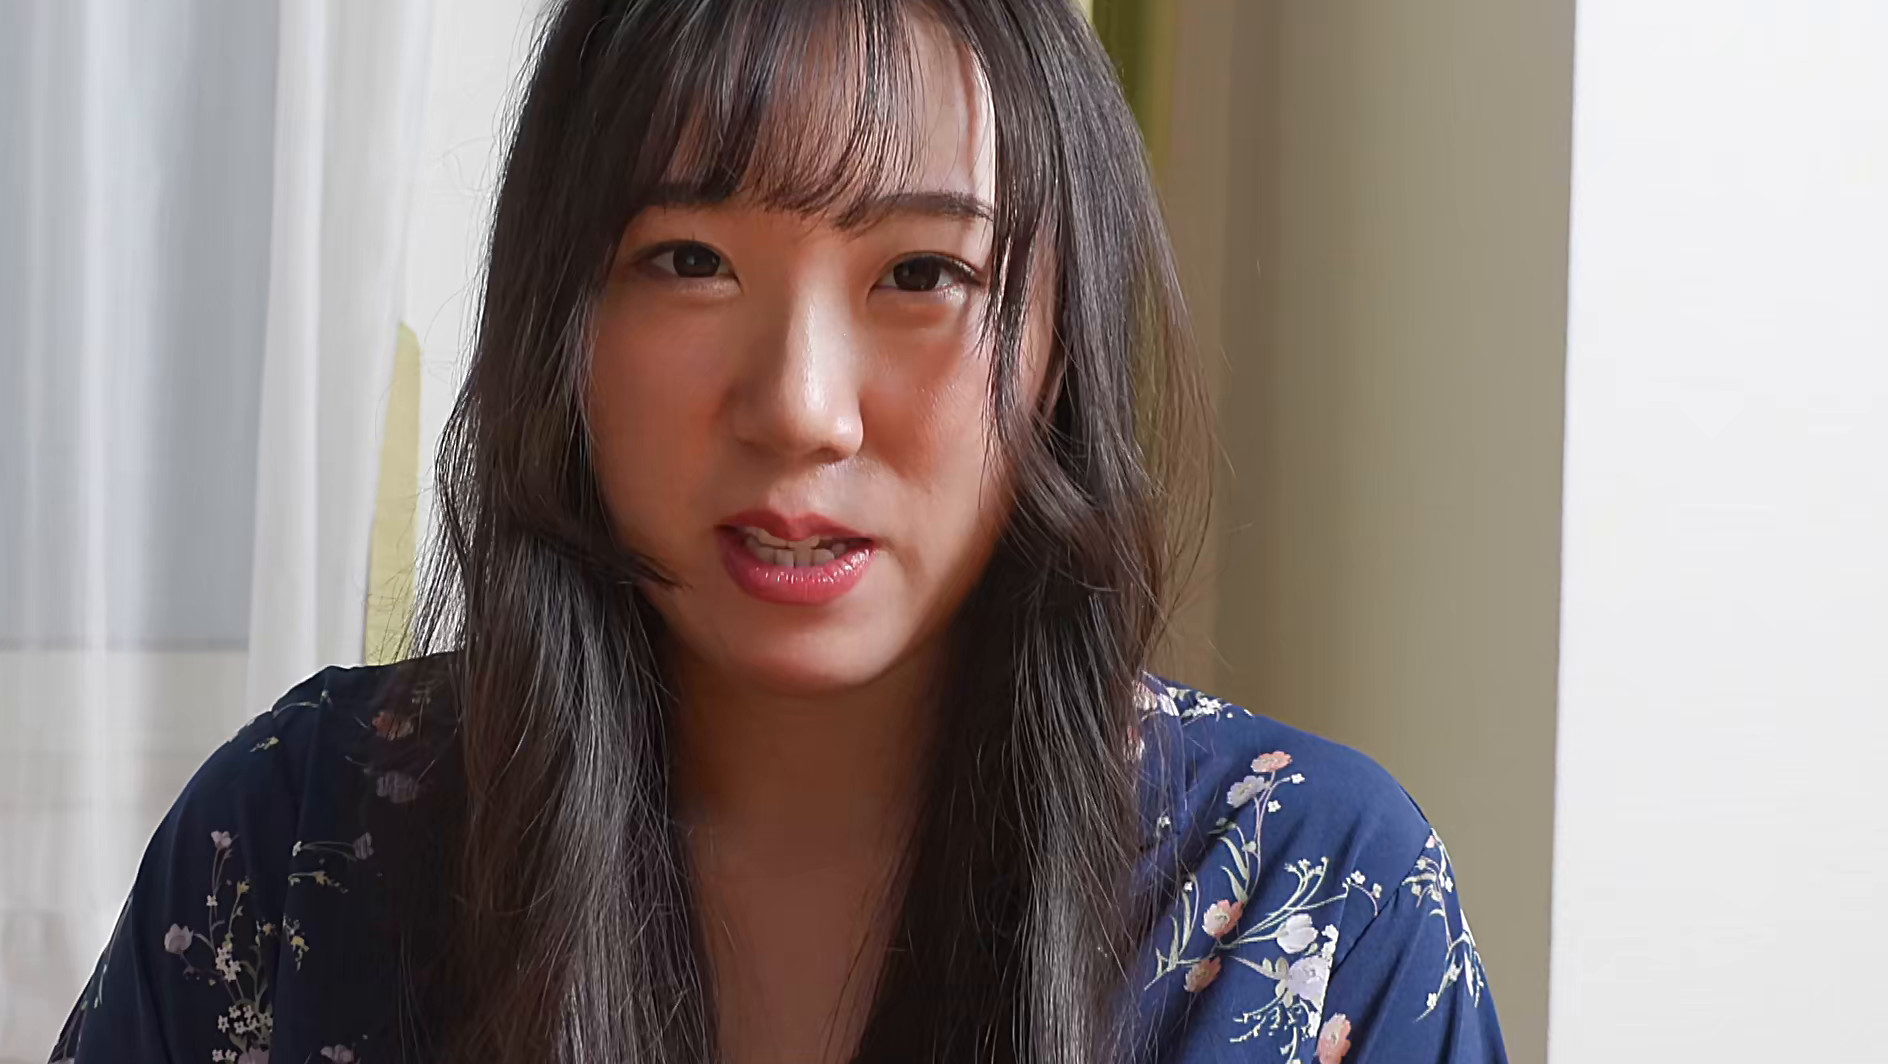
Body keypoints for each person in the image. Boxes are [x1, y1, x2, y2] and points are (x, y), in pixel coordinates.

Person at [49, 1, 1506, 1061]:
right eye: (690, 261)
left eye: (922, 274)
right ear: (566, 325)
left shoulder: (1308, 911)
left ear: (1060, 347)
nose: (802, 409)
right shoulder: (297, 846)